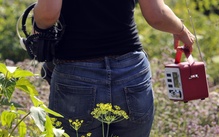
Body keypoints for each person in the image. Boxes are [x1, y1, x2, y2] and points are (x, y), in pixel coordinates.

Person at [33, 0, 195, 136]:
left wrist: (38, 25)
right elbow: (157, 14)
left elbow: (47, 15)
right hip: (131, 72)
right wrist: (181, 29)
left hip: (76, 72)